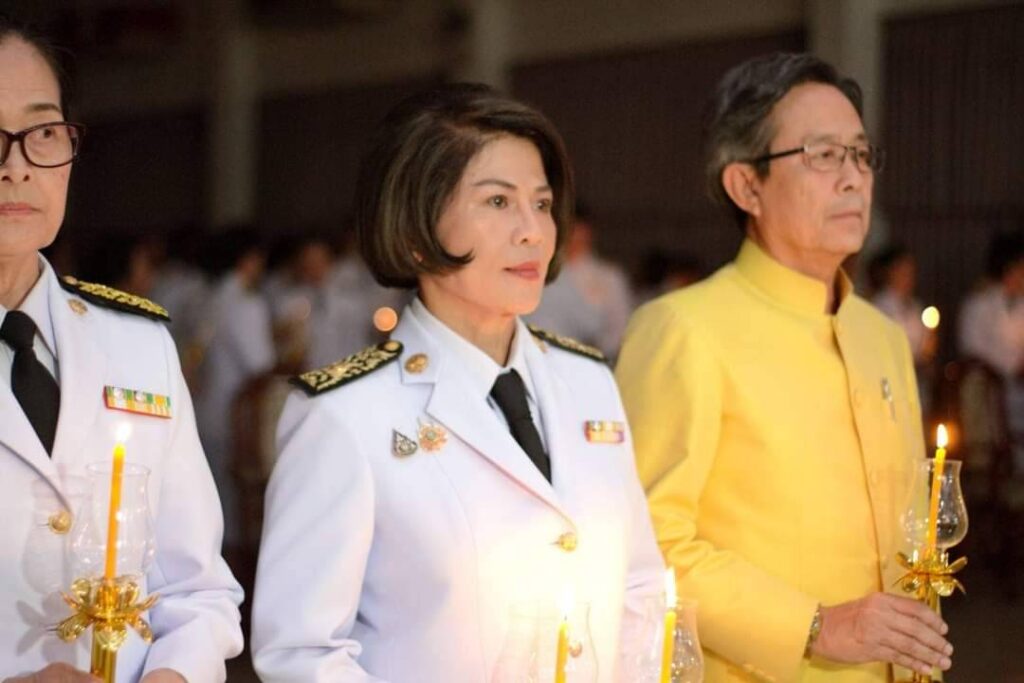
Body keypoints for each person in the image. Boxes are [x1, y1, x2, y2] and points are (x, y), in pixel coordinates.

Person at [251, 83, 664, 682]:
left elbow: (640, 584)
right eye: (497, 202)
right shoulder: (346, 415)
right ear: (416, 231)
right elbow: (302, 653)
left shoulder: (588, 381)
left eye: (542, 204)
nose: (533, 231)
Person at [615, 53, 951, 682]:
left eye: (861, 155)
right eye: (823, 156)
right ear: (747, 186)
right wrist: (817, 626)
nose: (853, 179)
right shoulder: (684, 329)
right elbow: (647, 544)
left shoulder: (880, 335)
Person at [0, 21, 242, 683]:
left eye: (43, 132)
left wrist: (174, 673)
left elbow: (196, 588)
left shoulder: (137, 344)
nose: (17, 165)